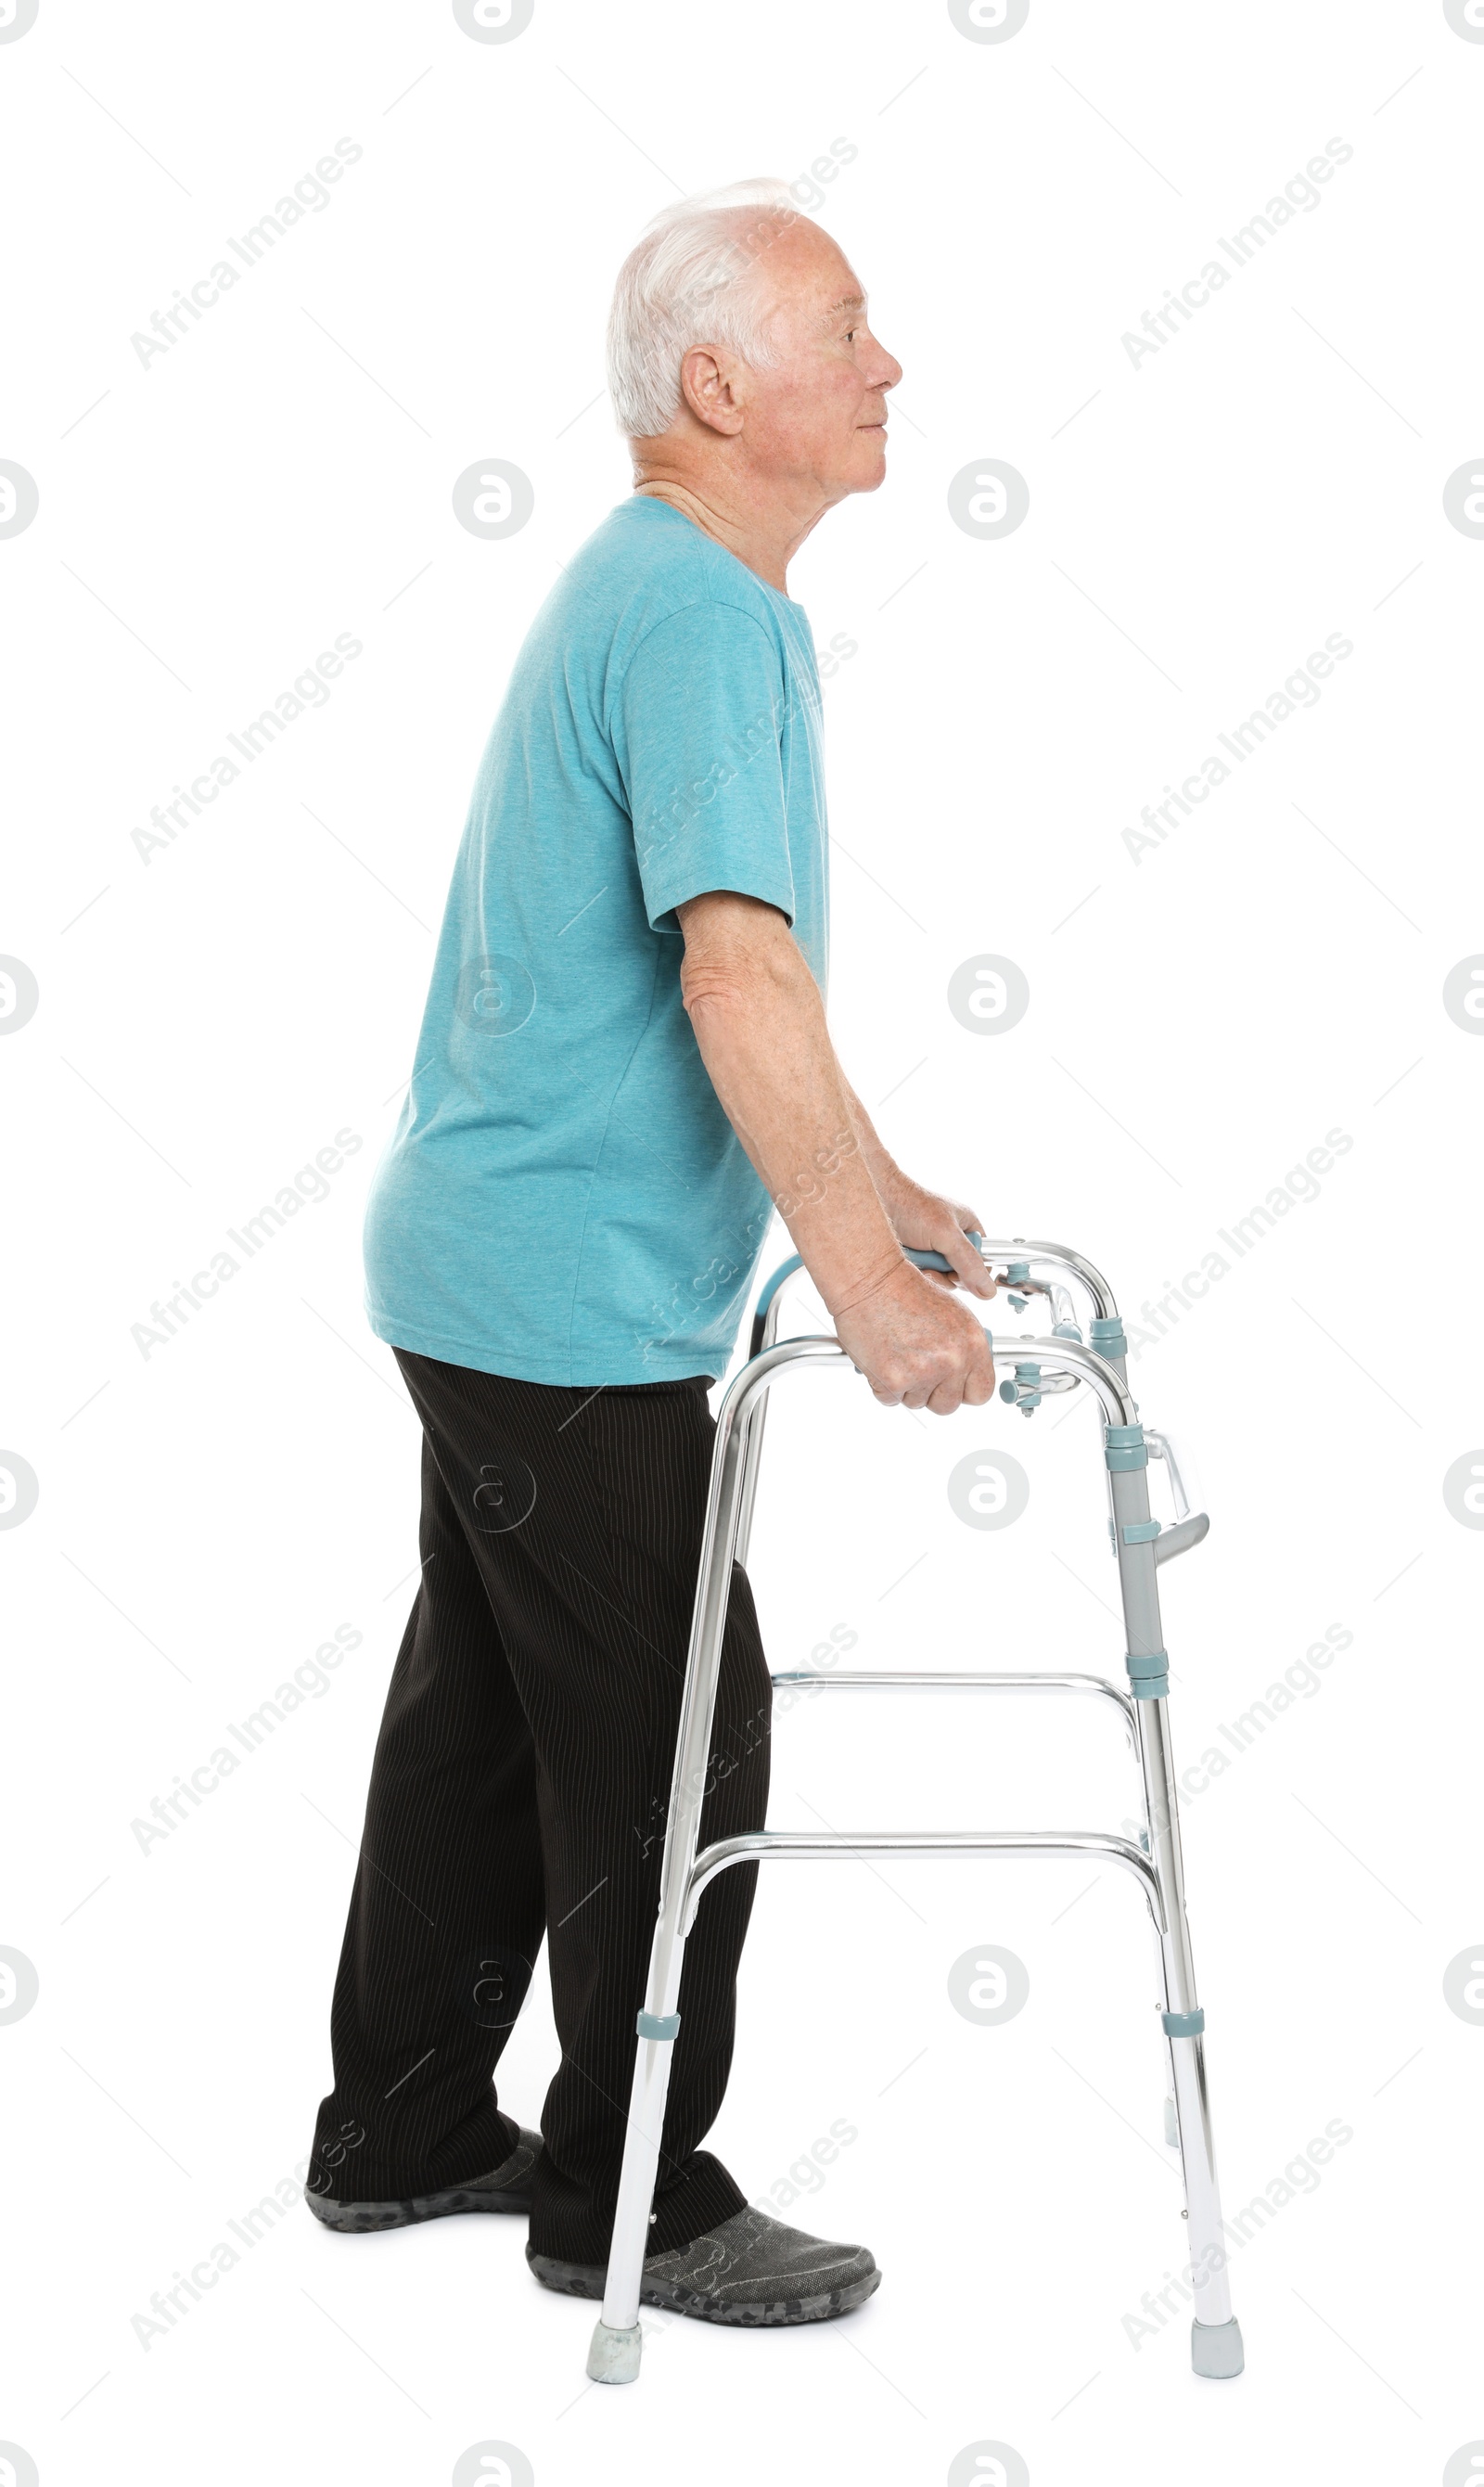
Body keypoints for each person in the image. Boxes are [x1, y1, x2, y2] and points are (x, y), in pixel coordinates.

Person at [306, 177, 1001, 2332]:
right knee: (681, 1738)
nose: (889, 364)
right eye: (847, 327)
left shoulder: (654, 583)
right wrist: (867, 1293)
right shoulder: (704, 611)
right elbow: (731, 977)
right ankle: (634, 2200)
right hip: (559, 1301)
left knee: (493, 1712)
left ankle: (405, 2122)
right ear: (718, 385)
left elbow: (741, 974)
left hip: (480, 1269)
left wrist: (874, 1191)